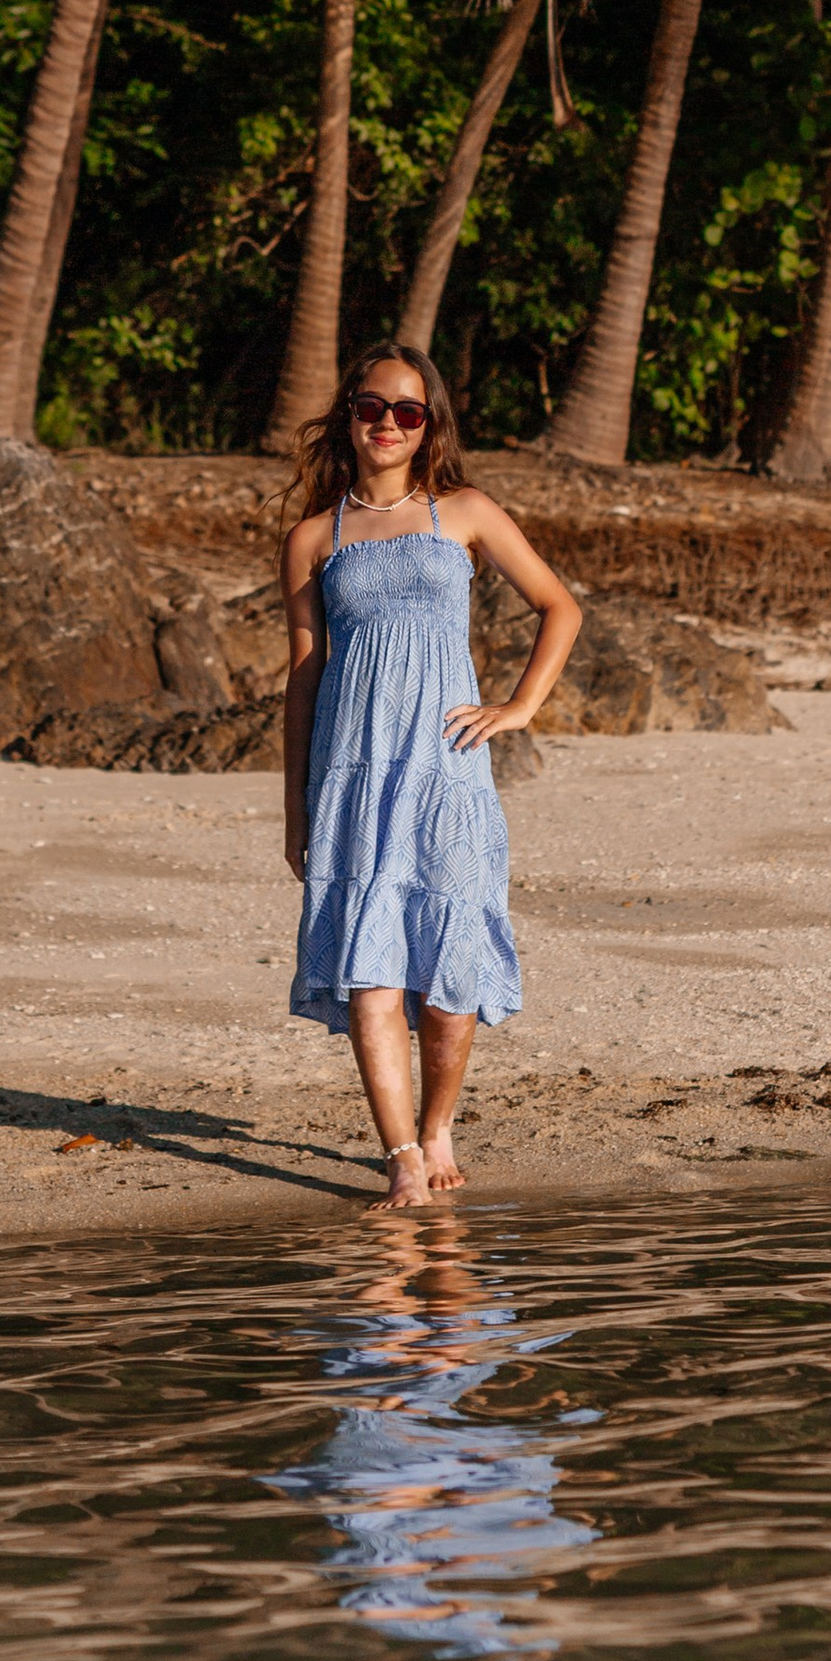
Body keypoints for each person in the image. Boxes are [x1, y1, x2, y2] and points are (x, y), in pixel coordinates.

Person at [281, 342, 582, 1207]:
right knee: (371, 972)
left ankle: (440, 1121)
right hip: (353, 777)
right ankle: (404, 1155)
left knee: (449, 986)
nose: (387, 422)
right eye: (372, 406)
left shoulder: (466, 512)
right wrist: (297, 810)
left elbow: (559, 607)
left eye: (407, 410)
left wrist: (519, 707)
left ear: (428, 426)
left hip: (446, 774)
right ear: (349, 414)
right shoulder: (314, 537)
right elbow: (303, 676)